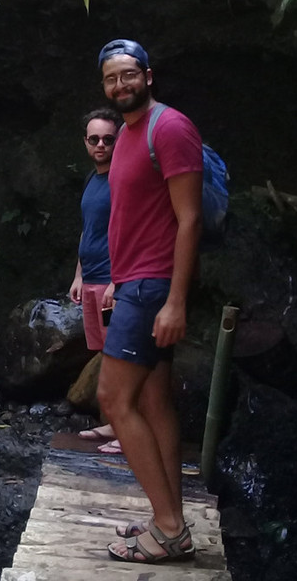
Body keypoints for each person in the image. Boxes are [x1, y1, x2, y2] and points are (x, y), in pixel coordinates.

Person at [96, 39, 202, 564]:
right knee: (155, 402)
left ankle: (166, 527)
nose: (122, 85)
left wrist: (175, 301)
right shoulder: (127, 136)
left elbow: (189, 219)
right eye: (112, 79)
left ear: (148, 76)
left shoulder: (170, 128)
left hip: (155, 288)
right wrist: (117, 277)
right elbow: (134, 218)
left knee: (114, 400)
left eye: (129, 75)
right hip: (135, 283)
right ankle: (172, 519)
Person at [68, 108, 123, 456]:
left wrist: (120, 281)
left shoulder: (122, 180)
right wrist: (78, 275)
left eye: (108, 139)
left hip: (112, 282)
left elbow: (129, 233)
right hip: (91, 280)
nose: (100, 145)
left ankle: (131, 431)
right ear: (86, 142)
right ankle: (115, 422)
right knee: (106, 355)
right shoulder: (93, 179)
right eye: (94, 139)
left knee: (125, 358)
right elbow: (89, 231)